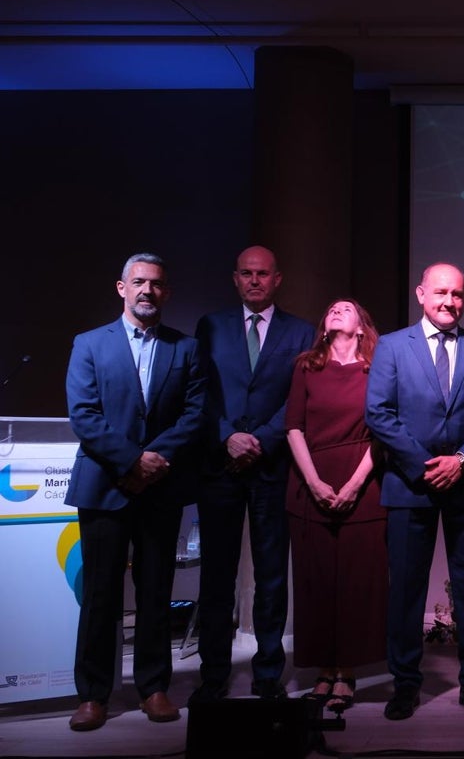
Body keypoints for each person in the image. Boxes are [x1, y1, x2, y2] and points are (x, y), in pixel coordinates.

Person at [64, 253, 206, 731]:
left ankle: (154, 687)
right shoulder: (89, 344)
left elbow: (194, 413)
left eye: (158, 284)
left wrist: (151, 462)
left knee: (155, 592)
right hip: (105, 486)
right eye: (139, 282)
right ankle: (93, 695)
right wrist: (129, 461)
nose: (148, 290)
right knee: (101, 594)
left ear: (167, 292)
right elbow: (83, 414)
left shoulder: (184, 349)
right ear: (121, 288)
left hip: (161, 487)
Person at [365, 262, 464, 720]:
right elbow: (379, 412)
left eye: (458, 295)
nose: (450, 302)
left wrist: (462, 461)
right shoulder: (391, 346)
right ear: (421, 294)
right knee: (406, 592)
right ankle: (406, 685)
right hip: (411, 485)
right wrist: (424, 466)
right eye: (442, 293)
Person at [190, 245, 315, 703]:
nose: (255, 281)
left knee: (271, 577)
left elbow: (300, 398)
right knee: (217, 576)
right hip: (220, 467)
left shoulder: (301, 332)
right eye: (247, 273)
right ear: (235, 278)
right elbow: (199, 391)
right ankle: (213, 675)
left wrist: (260, 438)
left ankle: (267, 674)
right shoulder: (211, 326)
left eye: (263, 274)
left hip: (271, 465)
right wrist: (227, 436)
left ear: (277, 279)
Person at [285, 299, 386, 713]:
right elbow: (293, 426)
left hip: (364, 480)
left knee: (358, 582)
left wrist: (355, 483)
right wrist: (314, 482)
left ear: (362, 327)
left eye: (348, 309)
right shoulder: (306, 366)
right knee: (317, 582)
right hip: (312, 481)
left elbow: (384, 429)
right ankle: (324, 671)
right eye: (332, 309)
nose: (338, 311)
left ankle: (347, 671)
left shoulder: (377, 368)